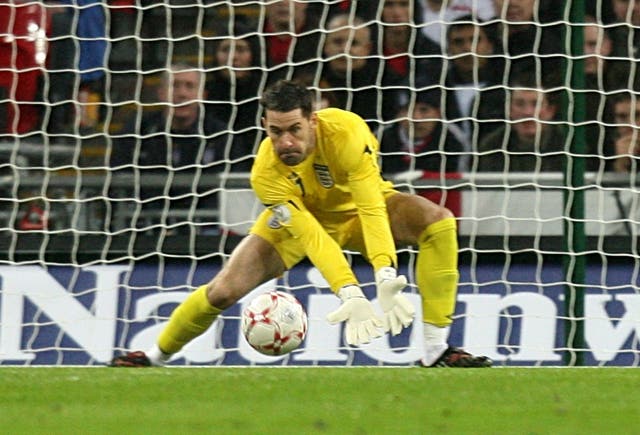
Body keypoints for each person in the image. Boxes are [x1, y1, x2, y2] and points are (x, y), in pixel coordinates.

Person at [110, 79, 492, 368]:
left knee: (438, 222)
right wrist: (351, 293)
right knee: (223, 292)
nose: (285, 142)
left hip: (361, 214)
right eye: (275, 132)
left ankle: (435, 349)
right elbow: (311, 238)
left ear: (313, 119)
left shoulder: (346, 132)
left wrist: (384, 269)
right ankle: (155, 356)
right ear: (264, 125)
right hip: (306, 222)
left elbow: (372, 206)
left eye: (294, 129)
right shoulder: (265, 173)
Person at [109, 63, 229, 233]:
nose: (182, 94)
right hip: (146, 227)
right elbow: (119, 181)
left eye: (190, 86)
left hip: (206, 229)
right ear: (161, 93)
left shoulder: (220, 135)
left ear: (203, 95)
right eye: (174, 85)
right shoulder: (137, 131)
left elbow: (229, 188)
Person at [321, 14, 401, 133]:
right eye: (337, 42)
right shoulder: (310, 79)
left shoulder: (386, 83)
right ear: (325, 46)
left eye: (354, 43)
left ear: (367, 48)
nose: (344, 50)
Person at [474, 72, 565, 172]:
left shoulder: (567, 143)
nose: (527, 112)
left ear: (550, 111)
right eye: (519, 104)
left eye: (536, 104)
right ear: (509, 109)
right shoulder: (492, 146)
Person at [206, 23, 263, 169]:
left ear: (253, 54)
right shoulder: (205, 95)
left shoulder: (266, 94)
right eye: (226, 49)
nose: (233, 57)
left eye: (241, 49)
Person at [380, 87, 463, 173]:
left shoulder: (453, 139)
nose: (416, 118)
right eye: (408, 110)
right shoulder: (380, 139)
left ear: (438, 113)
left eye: (424, 110)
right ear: (398, 115)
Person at [611, 91, 640, 173]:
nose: (630, 123)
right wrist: (621, 163)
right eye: (622, 116)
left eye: (637, 115)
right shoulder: (604, 150)